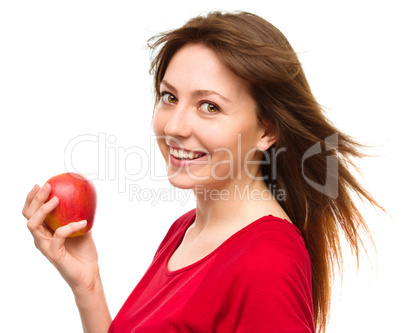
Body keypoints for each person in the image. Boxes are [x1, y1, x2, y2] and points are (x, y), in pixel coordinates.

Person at [22, 11, 382, 333]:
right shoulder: (185, 231)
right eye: (169, 97)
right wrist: (88, 286)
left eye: (209, 106)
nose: (175, 126)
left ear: (267, 130)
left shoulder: (267, 263)